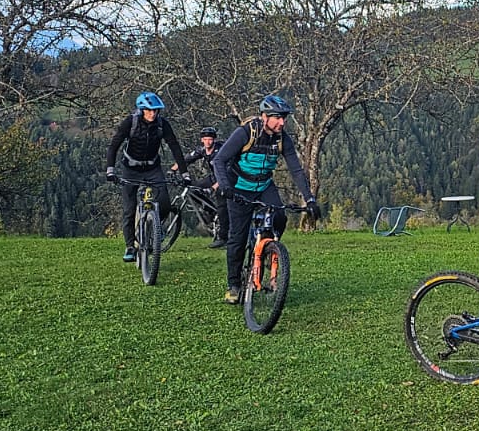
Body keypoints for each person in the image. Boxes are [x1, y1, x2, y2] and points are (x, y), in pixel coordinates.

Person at [211, 94, 319, 303]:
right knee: (237, 238)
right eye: (277, 117)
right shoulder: (246, 133)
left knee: (280, 217)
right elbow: (219, 160)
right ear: (264, 116)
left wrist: (310, 199)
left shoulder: (282, 139)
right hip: (239, 187)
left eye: (284, 118)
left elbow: (296, 170)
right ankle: (234, 285)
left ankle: (269, 249)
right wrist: (225, 187)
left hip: (264, 185)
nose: (282, 122)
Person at [105, 92, 189, 262]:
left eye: (156, 110)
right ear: (142, 110)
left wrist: (184, 173)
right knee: (129, 209)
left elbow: (175, 147)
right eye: (149, 110)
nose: (153, 113)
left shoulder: (162, 125)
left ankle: (155, 228)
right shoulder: (131, 122)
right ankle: (130, 246)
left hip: (152, 168)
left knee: (164, 203)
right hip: (130, 169)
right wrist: (110, 170)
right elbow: (114, 145)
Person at [181, 126, 228, 248]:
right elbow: (185, 160)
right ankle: (211, 211)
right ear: (202, 140)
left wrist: (213, 188)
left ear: (214, 140)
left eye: (210, 139)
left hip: (225, 179)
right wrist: (173, 170)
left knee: (222, 205)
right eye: (205, 139)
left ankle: (223, 237)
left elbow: (227, 173)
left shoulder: (221, 150)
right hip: (213, 177)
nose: (208, 142)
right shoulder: (202, 150)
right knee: (193, 189)